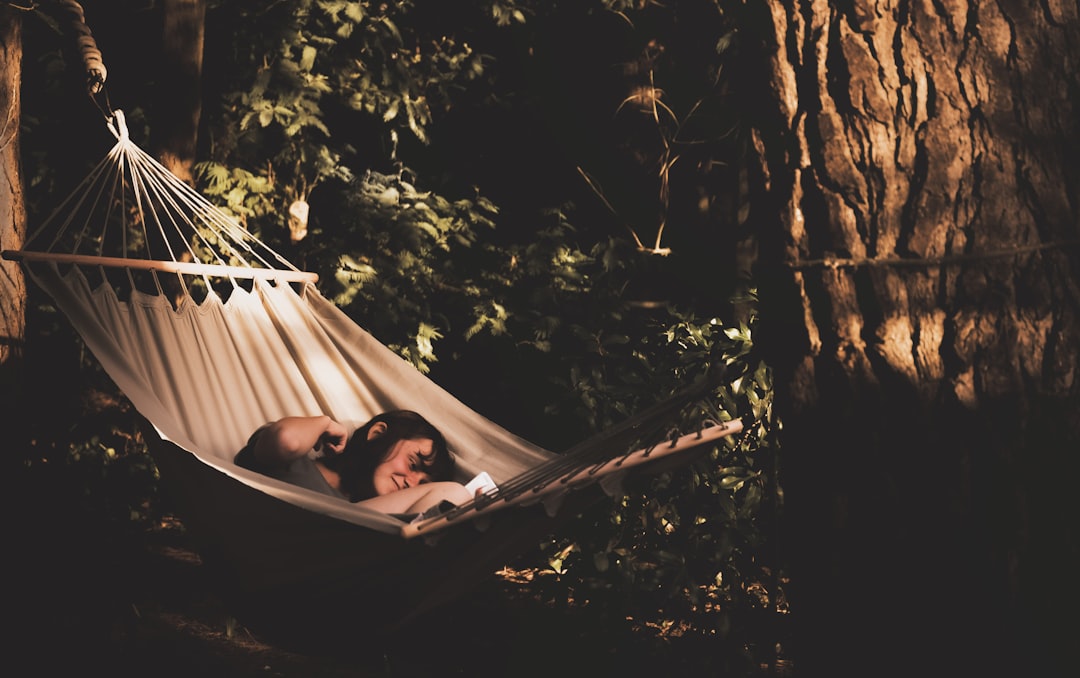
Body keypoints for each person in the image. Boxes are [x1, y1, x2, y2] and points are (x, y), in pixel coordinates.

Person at [235, 409, 474, 515]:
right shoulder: (295, 461)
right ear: (377, 433)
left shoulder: (374, 512)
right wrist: (325, 423)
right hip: (266, 543)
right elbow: (285, 440)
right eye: (412, 464)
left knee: (456, 496)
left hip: (332, 558)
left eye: (422, 484)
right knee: (453, 492)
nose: (412, 483)